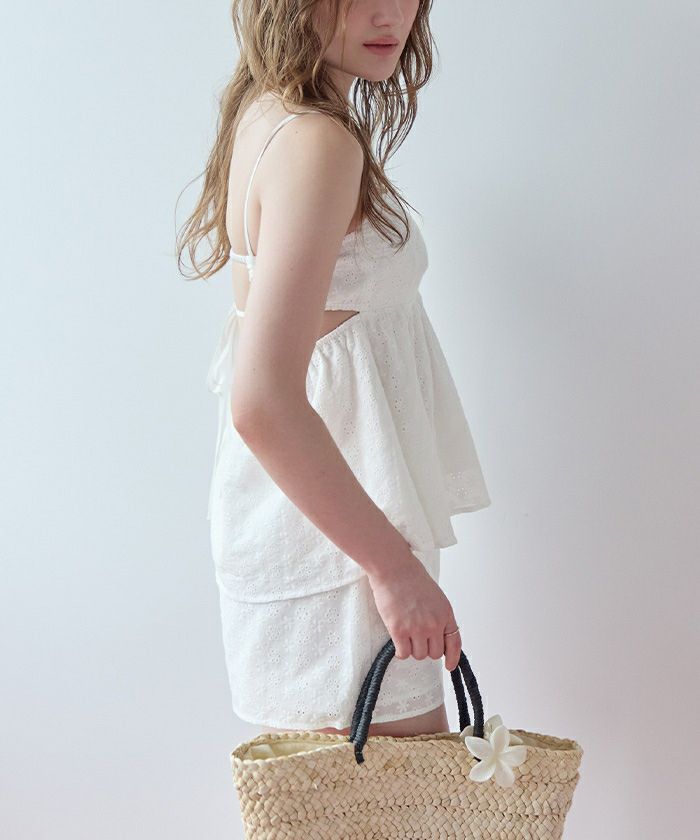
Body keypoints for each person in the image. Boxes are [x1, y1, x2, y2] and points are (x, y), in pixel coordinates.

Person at [176, 0, 491, 738]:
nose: (389, 14)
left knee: (349, 795)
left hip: (321, 526)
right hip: (345, 553)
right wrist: (394, 571)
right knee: (393, 794)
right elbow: (262, 401)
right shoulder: (317, 143)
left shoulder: (273, 113)